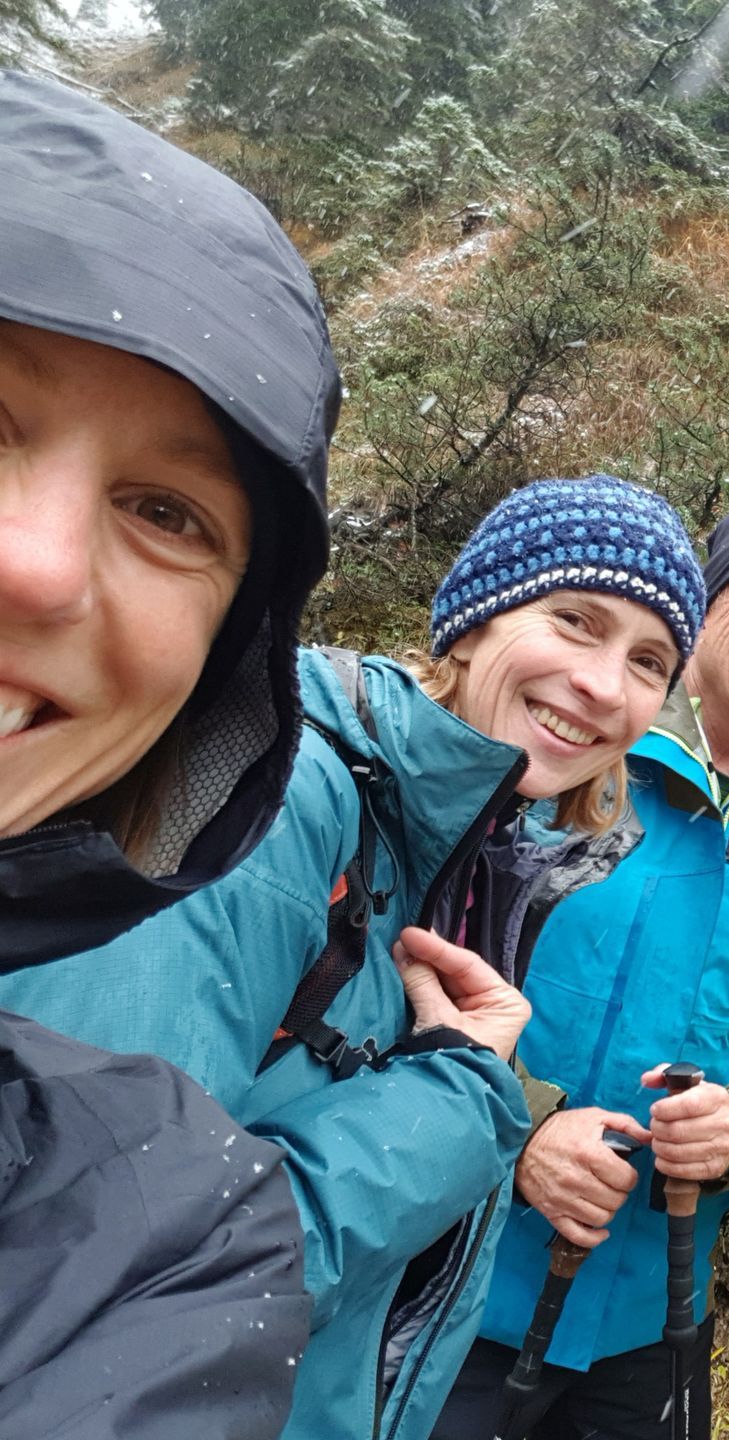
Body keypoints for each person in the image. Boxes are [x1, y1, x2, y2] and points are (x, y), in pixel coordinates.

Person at [4, 474, 709, 1439]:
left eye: (648, 661)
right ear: (472, 621)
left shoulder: (438, 841)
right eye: (574, 620)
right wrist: (462, 1090)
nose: (602, 683)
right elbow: (92, 1258)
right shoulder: (280, 804)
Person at [0, 70, 337, 1435]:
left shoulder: (165, 1229)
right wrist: (466, 1104)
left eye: (165, 510)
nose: (36, 565)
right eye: (572, 624)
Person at [442, 499, 729, 1440]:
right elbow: (422, 953)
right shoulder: (577, 741)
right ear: (705, 605)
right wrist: (523, 1129)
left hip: (654, 1313)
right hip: (456, 1277)